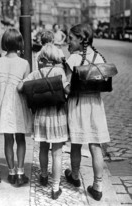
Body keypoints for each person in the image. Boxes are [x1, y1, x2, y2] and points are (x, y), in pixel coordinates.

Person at [18, 43, 70, 199]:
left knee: (43, 148)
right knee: (57, 153)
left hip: (40, 117)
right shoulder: (60, 71)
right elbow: (68, 90)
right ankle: (55, 188)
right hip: (57, 116)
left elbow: (20, 87)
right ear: (54, 57)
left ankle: (43, 175)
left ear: (42, 57)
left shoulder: (36, 72)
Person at [64, 23, 110, 201]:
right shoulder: (100, 57)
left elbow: (67, 88)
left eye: (71, 39)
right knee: (95, 145)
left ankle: (75, 176)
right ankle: (98, 186)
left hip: (77, 105)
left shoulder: (74, 59)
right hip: (96, 106)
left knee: (76, 142)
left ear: (81, 39)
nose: (68, 42)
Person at [0, 28, 32, 186]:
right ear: (19, 44)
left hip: (3, 105)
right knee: (21, 139)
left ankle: (10, 172)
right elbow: (26, 85)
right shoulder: (24, 63)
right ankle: (21, 173)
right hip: (18, 105)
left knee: (8, 140)